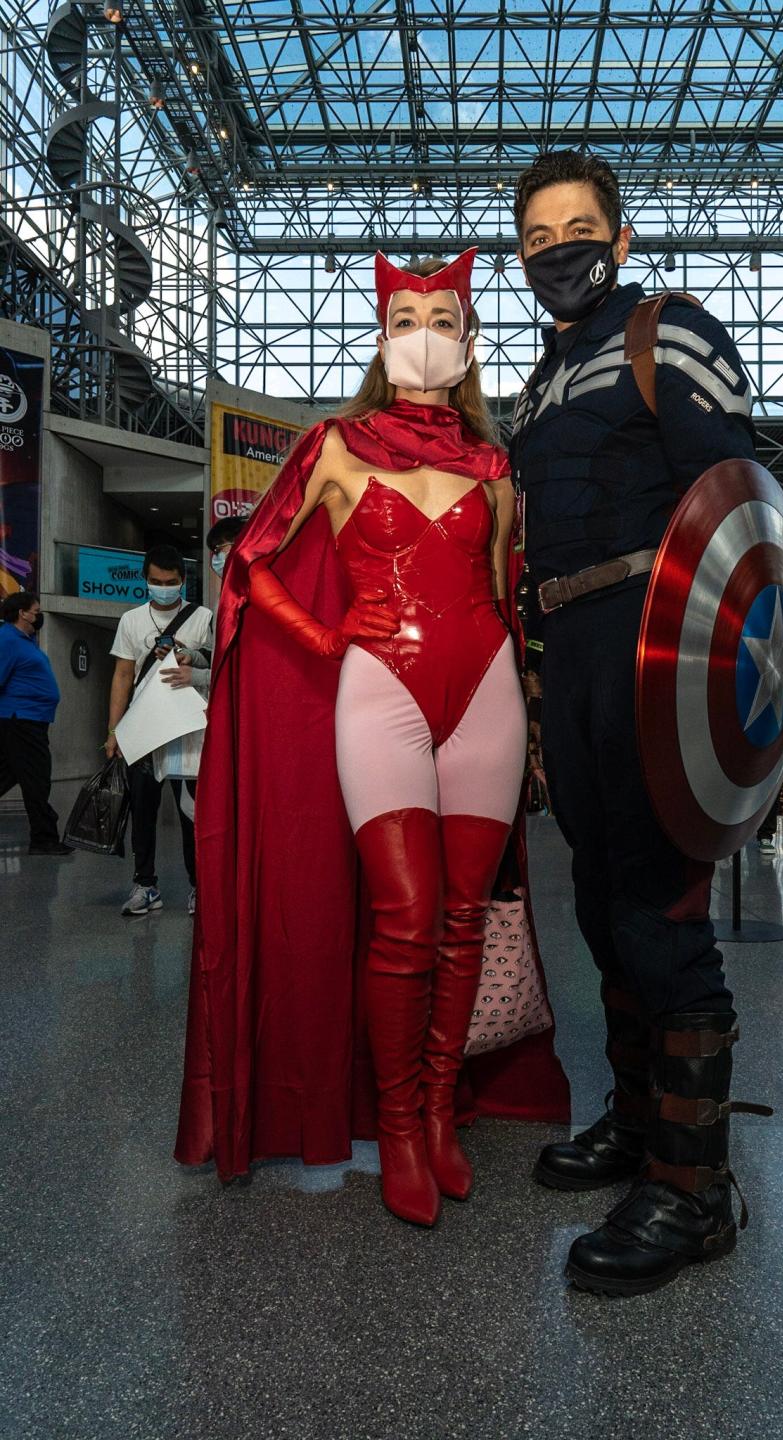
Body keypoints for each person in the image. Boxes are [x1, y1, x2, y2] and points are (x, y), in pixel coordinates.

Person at [175, 250, 570, 1226]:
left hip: (484, 694)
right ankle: (396, 1127)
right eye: (405, 317)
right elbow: (251, 565)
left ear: (470, 340)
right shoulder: (336, 446)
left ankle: (439, 1112)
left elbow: (507, 594)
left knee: (463, 917)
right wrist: (324, 634)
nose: (424, 334)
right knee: (404, 912)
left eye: (443, 317)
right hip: (378, 688)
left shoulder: (496, 464)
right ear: (382, 335)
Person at [511, 150, 760, 1295]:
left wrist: (729, 699)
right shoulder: (534, 384)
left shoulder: (672, 335)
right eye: (535, 236)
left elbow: (738, 518)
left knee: (661, 908)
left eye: (575, 228)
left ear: (617, 238)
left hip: (659, 648)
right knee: (606, 908)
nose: (554, 248)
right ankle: (635, 1123)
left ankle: (695, 1188)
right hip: (573, 659)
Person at [106, 546, 213, 917]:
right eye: (155, 581)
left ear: (183, 581)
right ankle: (145, 885)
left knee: (192, 815)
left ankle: (199, 888)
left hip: (189, 732)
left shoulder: (204, 618)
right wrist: (114, 732)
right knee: (143, 810)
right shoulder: (131, 620)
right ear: (145, 579)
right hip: (145, 729)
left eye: (170, 582)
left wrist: (193, 658)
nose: (163, 588)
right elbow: (122, 675)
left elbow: (221, 667)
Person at [0, 591, 71, 855]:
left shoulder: (24, 640)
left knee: (11, 775)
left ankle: (44, 837)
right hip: (20, 720)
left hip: (29, 720)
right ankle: (43, 839)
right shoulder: (7, 638)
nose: (38, 615)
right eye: (36, 610)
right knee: (36, 778)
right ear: (23, 613)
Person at [159, 519, 246, 700]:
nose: (215, 558)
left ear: (241, 544)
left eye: (218, 550)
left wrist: (199, 677)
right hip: (222, 702)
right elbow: (211, 653)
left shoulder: (255, 596)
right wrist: (189, 656)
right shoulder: (223, 599)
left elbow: (248, 665)